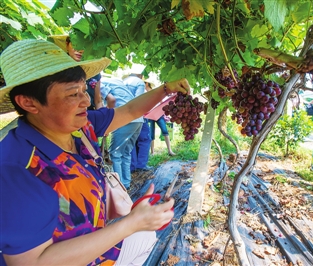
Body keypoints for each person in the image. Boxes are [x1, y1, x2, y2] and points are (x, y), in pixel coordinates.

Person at [0, 39, 190, 265]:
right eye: (73, 94)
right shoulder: (16, 170)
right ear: (29, 103)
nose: (86, 100)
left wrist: (166, 89)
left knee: (145, 236)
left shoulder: (79, 127)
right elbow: (31, 263)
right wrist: (131, 223)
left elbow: (129, 110)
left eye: (84, 89)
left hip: (96, 249)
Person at [100, 77, 143, 189]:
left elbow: (112, 100)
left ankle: (119, 187)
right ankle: (126, 184)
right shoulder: (116, 80)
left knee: (115, 153)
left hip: (124, 119)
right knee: (126, 153)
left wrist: (106, 123)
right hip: (138, 119)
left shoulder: (98, 83)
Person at [48, 35, 103, 110]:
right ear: (67, 45)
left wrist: (99, 117)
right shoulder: (57, 69)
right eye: (75, 45)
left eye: (84, 47)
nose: (80, 50)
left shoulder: (95, 72)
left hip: (88, 114)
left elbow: (98, 101)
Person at [123, 73, 152, 172]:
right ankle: (141, 165)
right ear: (139, 75)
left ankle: (132, 166)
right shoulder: (139, 83)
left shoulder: (123, 82)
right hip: (138, 116)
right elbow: (138, 100)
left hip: (125, 116)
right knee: (144, 139)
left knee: (131, 141)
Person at [144, 79, 176, 156]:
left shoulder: (154, 92)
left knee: (165, 131)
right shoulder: (144, 94)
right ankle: (152, 152)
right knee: (151, 134)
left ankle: (170, 150)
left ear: (147, 83)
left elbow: (161, 102)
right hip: (150, 115)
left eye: (143, 83)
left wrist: (163, 112)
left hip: (158, 114)